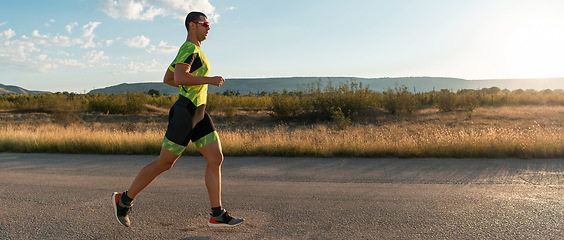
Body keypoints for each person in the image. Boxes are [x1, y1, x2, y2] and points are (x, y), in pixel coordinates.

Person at [112, 11, 244, 228]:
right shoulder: (189, 48)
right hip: (186, 113)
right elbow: (180, 77)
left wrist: (190, 82)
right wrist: (208, 80)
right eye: (205, 24)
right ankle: (123, 201)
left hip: (199, 113)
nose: (208, 28)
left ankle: (217, 214)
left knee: (215, 158)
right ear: (193, 25)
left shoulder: (195, 50)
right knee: (164, 163)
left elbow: (168, 78)